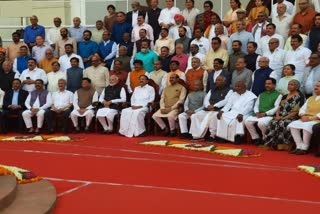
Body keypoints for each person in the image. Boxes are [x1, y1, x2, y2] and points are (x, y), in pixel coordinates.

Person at [264, 80, 305, 150]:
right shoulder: (285, 96)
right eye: (288, 84)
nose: (289, 86)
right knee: (273, 122)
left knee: (283, 123)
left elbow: (296, 111)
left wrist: (284, 118)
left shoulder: (300, 96)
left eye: (291, 85)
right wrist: (277, 116)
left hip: (292, 117)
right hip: (280, 116)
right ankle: (272, 143)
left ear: (297, 87)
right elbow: (279, 108)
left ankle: (284, 144)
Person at [190, 76, 232, 141]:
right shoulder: (212, 90)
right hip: (208, 109)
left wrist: (215, 106)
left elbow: (226, 101)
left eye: (219, 80)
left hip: (218, 110)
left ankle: (212, 135)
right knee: (195, 116)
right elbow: (206, 99)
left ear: (224, 82)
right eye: (216, 80)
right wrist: (208, 106)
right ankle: (196, 135)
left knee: (212, 117)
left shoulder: (229, 90)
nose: (216, 82)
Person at [245, 78, 282, 145]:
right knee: (247, 122)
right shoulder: (262, 94)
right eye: (266, 84)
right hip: (258, 114)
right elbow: (256, 105)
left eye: (269, 84)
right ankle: (256, 138)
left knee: (261, 123)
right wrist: (256, 112)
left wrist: (265, 113)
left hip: (268, 115)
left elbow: (276, 107)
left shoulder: (278, 95)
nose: (267, 85)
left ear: (274, 85)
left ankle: (265, 138)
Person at [288, 81, 320, 155]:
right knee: (293, 124)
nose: (316, 87)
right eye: (316, 86)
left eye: (318, 86)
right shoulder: (311, 98)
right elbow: (302, 109)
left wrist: (310, 118)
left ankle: (305, 147)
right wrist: (302, 115)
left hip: (316, 119)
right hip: (306, 118)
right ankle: (299, 146)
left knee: (306, 126)